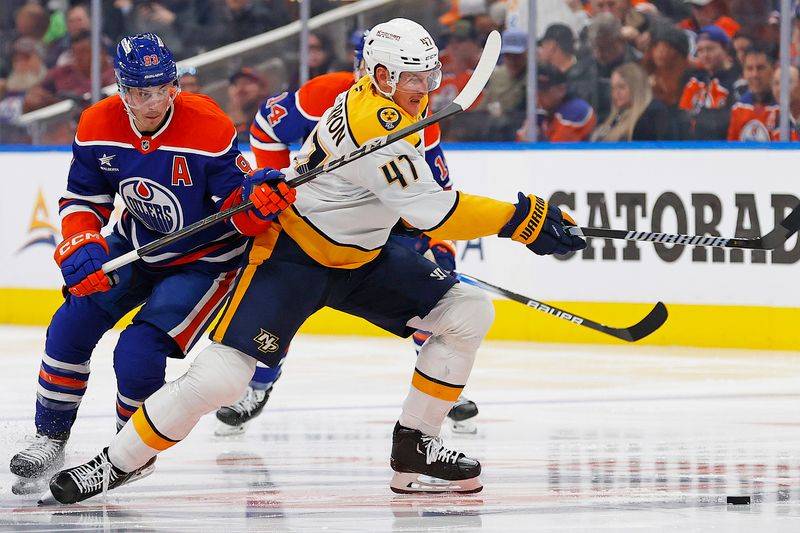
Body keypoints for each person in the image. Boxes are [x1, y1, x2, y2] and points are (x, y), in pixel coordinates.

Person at [46, 18, 586, 504]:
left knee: (467, 312)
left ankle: (416, 446)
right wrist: (524, 217)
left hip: (363, 260)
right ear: (378, 75)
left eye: (429, 76)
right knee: (223, 378)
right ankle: (114, 463)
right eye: (412, 78)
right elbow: (433, 208)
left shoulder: (400, 114)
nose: (426, 89)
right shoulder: (372, 119)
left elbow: (420, 199)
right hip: (294, 258)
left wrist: (464, 227)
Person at [8, 32, 294, 495]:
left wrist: (256, 204)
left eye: (164, 88)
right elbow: (83, 196)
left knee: (137, 351)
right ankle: (51, 437)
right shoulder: (97, 124)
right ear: (121, 90)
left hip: (204, 260)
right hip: (135, 244)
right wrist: (82, 239)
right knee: (70, 323)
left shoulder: (208, 124)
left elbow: (239, 209)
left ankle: (130, 450)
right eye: (142, 91)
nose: (155, 100)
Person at [218, 30, 479, 437]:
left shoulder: (417, 115)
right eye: (362, 67)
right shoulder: (327, 94)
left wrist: (436, 243)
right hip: (311, 222)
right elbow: (268, 125)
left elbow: (436, 195)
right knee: (280, 307)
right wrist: (282, 182)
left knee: (434, 291)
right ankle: (258, 385)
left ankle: (440, 389)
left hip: (378, 223)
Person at [678, 24, 740, 139]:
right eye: (700, 50)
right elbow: (683, 116)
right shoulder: (695, 80)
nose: (705, 55)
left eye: (710, 49)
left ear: (725, 48)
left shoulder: (736, 81)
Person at [591, 62, 674, 141]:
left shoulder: (651, 117)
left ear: (636, 88)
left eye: (621, 87)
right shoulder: (613, 118)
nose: (616, 93)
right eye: (613, 88)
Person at [532, 64, 596, 142]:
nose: (538, 95)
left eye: (544, 91)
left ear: (561, 90)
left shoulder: (576, 109)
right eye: (537, 91)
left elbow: (556, 150)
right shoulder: (546, 111)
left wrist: (535, 139)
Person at [727, 44, 779, 140]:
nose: (754, 74)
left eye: (760, 68)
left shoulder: (785, 107)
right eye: (749, 68)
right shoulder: (739, 107)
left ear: (774, 69)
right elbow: (732, 149)